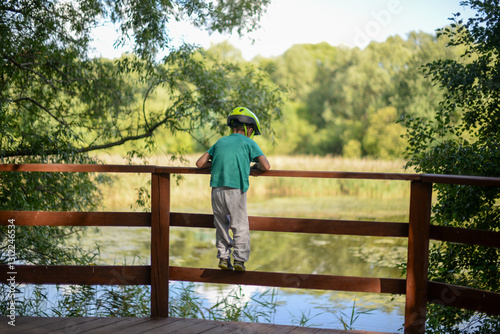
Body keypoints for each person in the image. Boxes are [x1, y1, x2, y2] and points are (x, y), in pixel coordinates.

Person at [196, 107, 270, 271]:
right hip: (236, 189)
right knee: (240, 225)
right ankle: (239, 260)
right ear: (248, 129)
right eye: (252, 131)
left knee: (221, 224)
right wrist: (254, 165)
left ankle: (223, 258)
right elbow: (266, 166)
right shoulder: (249, 142)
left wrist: (213, 163)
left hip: (216, 190)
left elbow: (200, 164)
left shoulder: (220, 142)